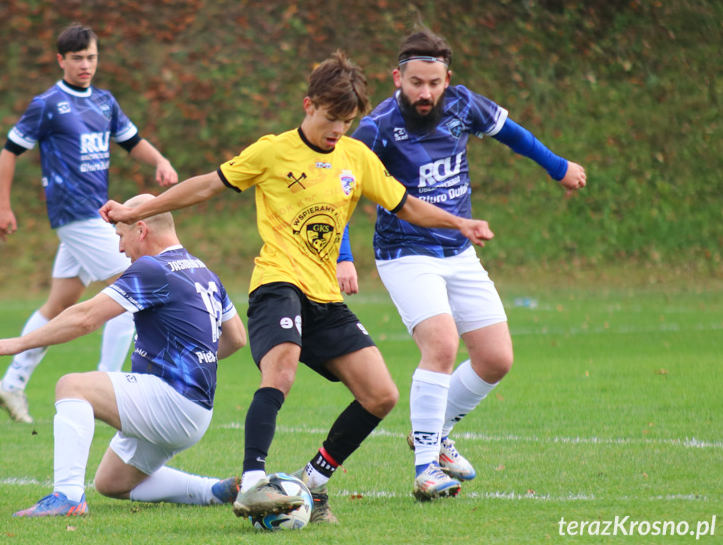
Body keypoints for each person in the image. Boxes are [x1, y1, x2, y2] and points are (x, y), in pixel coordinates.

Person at [98, 51, 494, 524]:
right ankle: (251, 483)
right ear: (309, 105)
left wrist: (458, 222)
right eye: (331, 118)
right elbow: (205, 186)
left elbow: (406, 204)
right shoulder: (272, 151)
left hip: (325, 297)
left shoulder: (356, 157)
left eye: (346, 121)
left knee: (381, 394)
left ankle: (313, 481)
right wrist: (136, 211)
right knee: (280, 371)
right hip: (277, 285)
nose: (337, 130)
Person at [340, 28, 587, 501]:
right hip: (405, 253)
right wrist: (344, 257)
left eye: (434, 83)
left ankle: (433, 432)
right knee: (442, 344)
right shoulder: (376, 126)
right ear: (398, 77)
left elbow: (514, 135)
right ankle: (427, 468)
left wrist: (558, 166)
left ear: (447, 79)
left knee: (496, 359)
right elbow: (344, 194)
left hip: (458, 249)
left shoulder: (464, 104)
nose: (426, 92)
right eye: (416, 82)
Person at [0, 194, 247, 516]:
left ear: (141, 229)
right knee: (112, 483)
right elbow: (237, 338)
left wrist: (21, 343)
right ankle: (213, 491)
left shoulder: (154, 268)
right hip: (197, 410)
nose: (120, 248)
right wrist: (194, 361)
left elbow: (85, 318)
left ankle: (67, 498)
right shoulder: (203, 270)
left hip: (171, 403)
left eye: (121, 237)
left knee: (72, 386)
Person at [0, 23, 178, 424]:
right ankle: (107, 387)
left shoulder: (105, 102)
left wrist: (160, 160)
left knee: (59, 303)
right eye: (77, 58)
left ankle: (12, 382)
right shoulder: (47, 104)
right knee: (130, 291)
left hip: (97, 216)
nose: (85, 65)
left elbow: (132, 141)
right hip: (75, 216)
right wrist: (3, 207)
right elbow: (9, 153)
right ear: (61, 60)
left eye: (91, 57)